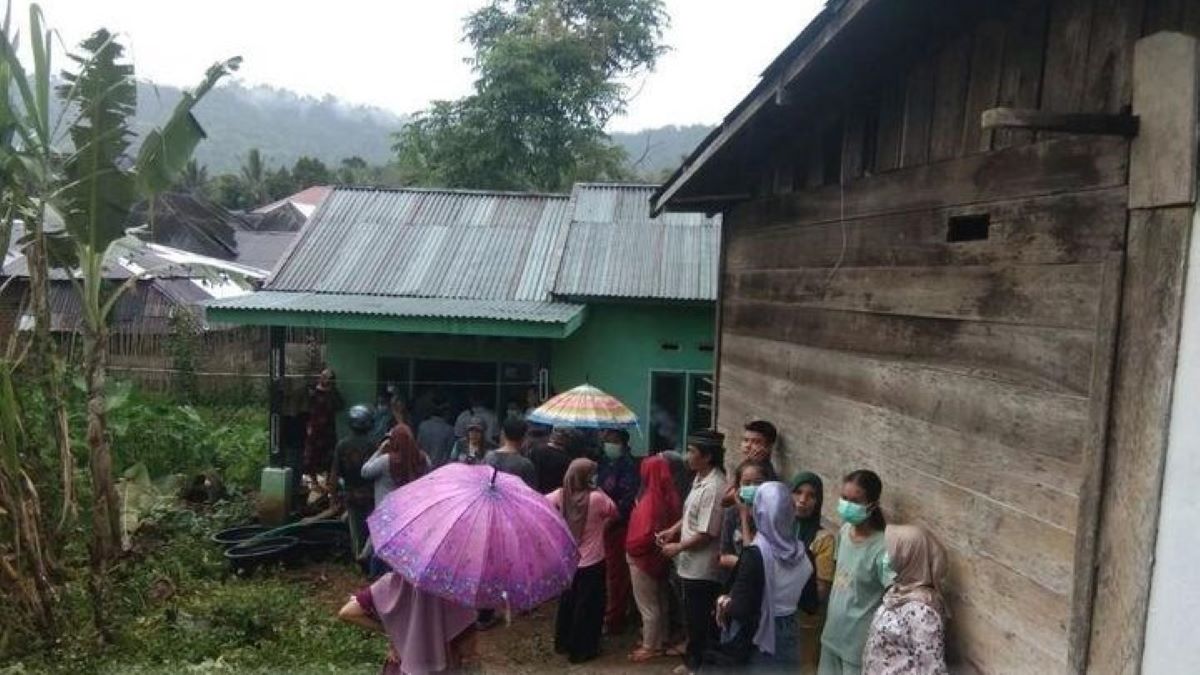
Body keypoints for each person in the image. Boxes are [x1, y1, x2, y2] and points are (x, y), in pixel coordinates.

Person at [712, 481, 813, 669]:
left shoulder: (754, 555)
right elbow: (810, 603)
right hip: (789, 629)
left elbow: (742, 609)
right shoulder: (805, 554)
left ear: (759, 512)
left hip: (758, 634)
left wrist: (725, 602)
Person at [656, 430, 727, 675]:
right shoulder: (699, 478)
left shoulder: (715, 487)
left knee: (701, 620)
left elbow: (707, 532)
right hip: (689, 563)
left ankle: (700, 665)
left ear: (707, 457)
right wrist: (673, 530)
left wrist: (678, 546)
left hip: (702, 567)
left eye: (692, 452)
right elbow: (690, 516)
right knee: (692, 617)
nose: (687, 457)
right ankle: (693, 661)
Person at [819, 470, 894, 675]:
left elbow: (893, 594)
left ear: (872, 505)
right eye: (844, 498)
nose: (847, 505)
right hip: (832, 633)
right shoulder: (844, 531)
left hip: (858, 643)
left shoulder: (882, 548)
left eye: (855, 500)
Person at [547, 459, 618, 664]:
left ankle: (563, 642)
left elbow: (541, 503)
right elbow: (614, 511)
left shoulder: (561, 495)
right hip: (592, 561)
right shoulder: (596, 498)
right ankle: (582, 649)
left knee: (567, 603)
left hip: (568, 561)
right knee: (589, 606)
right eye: (592, 473)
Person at [338, 571, 478, 674]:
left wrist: (394, 632)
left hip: (399, 666)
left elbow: (348, 613)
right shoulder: (455, 594)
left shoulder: (390, 583)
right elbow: (466, 648)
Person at [863, 525, 948, 675]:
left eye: (894, 552)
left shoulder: (923, 612)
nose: (887, 556)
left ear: (911, 556)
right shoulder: (898, 592)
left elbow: (932, 669)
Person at [625, 455, 683, 662]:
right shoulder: (671, 495)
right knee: (660, 599)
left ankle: (651, 646)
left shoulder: (650, 499)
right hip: (661, 555)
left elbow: (643, 536)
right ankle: (662, 637)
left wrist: (630, 549)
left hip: (643, 557)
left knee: (647, 604)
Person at [362, 420, 430, 577]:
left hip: (386, 512)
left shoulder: (386, 460)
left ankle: (375, 577)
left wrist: (379, 451)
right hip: (410, 512)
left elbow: (365, 471)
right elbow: (429, 479)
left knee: (382, 547)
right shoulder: (423, 459)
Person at [597, 428, 640, 635]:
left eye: (612, 440)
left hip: (618, 525)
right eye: (606, 440)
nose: (608, 444)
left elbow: (626, 500)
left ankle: (615, 618)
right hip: (602, 522)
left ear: (622, 443)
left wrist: (610, 519)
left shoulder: (629, 467)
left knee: (617, 573)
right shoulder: (605, 462)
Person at [792, 471, 836, 673]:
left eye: (811, 495)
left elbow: (821, 590)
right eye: (798, 492)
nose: (803, 500)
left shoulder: (823, 539)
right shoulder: (779, 528)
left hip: (804, 622)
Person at [329, 404, 376, 563]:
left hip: (351, 494)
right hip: (371, 495)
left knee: (356, 530)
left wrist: (333, 496)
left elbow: (334, 474)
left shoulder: (342, 445)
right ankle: (368, 560)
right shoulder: (374, 445)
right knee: (371, 529)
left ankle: (358, 560)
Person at [720, 461, 771, 577]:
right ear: (738, 488)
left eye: (758, 483)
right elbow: (724, 556)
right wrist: (745, 564)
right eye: (747, 484)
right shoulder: (732, 513)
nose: (752, 487)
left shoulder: (772, 514)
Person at [723, 421, 779, 507]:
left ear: (768, 447)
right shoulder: (746, 464)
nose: (748, 445)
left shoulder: (766, 474)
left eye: (756, 442)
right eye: (745, 440)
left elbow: (725, 500)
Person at [303, 368, 344, 478]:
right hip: (314, 427)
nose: (326, 380)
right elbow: (306, 407)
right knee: (312, 455)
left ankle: (327, 482)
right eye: (324, 377)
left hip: (328, 428)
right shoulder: (313, 391)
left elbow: (340, 406)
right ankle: (313, 480)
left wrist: (332, 390)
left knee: (329, 456)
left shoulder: (333, 393)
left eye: (330, 378)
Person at [484, 418, 537, 490]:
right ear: (524, 437)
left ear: (503, 433)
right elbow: (531, 494)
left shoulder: (488, 457)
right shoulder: (526, 465)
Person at [530, 426, 574, 494]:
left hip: (534, 491)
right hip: (554, 495)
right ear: (566, 440)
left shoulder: (536, 450)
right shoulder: (567, 460)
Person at [417, 403, 457, 468]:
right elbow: (449, 454)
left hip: (423, 468)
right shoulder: (449, 430)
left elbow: (418, 447)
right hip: (440, 469)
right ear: (446, 413)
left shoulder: (422, 426)